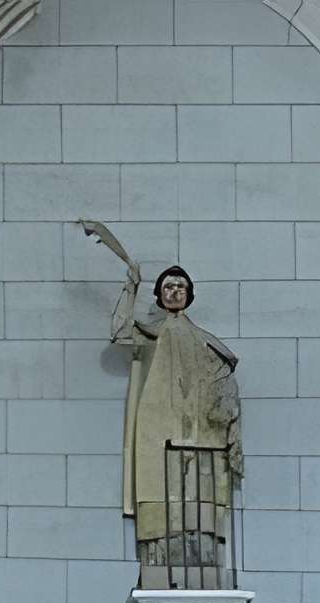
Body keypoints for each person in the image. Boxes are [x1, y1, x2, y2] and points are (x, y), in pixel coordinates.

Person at [79, 221, 242, 583]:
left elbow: (223, 375)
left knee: (197, 500)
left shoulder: (204, 341)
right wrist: (131, 286)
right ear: (159, 294)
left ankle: (200, 566)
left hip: (197, 433)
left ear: (189, 295)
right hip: (158, 428)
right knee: (160, 496)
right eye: (168, 287)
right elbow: (121, 331)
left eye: (180, 287)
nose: (174, 292)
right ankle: (159, 567)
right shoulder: (151, 333)